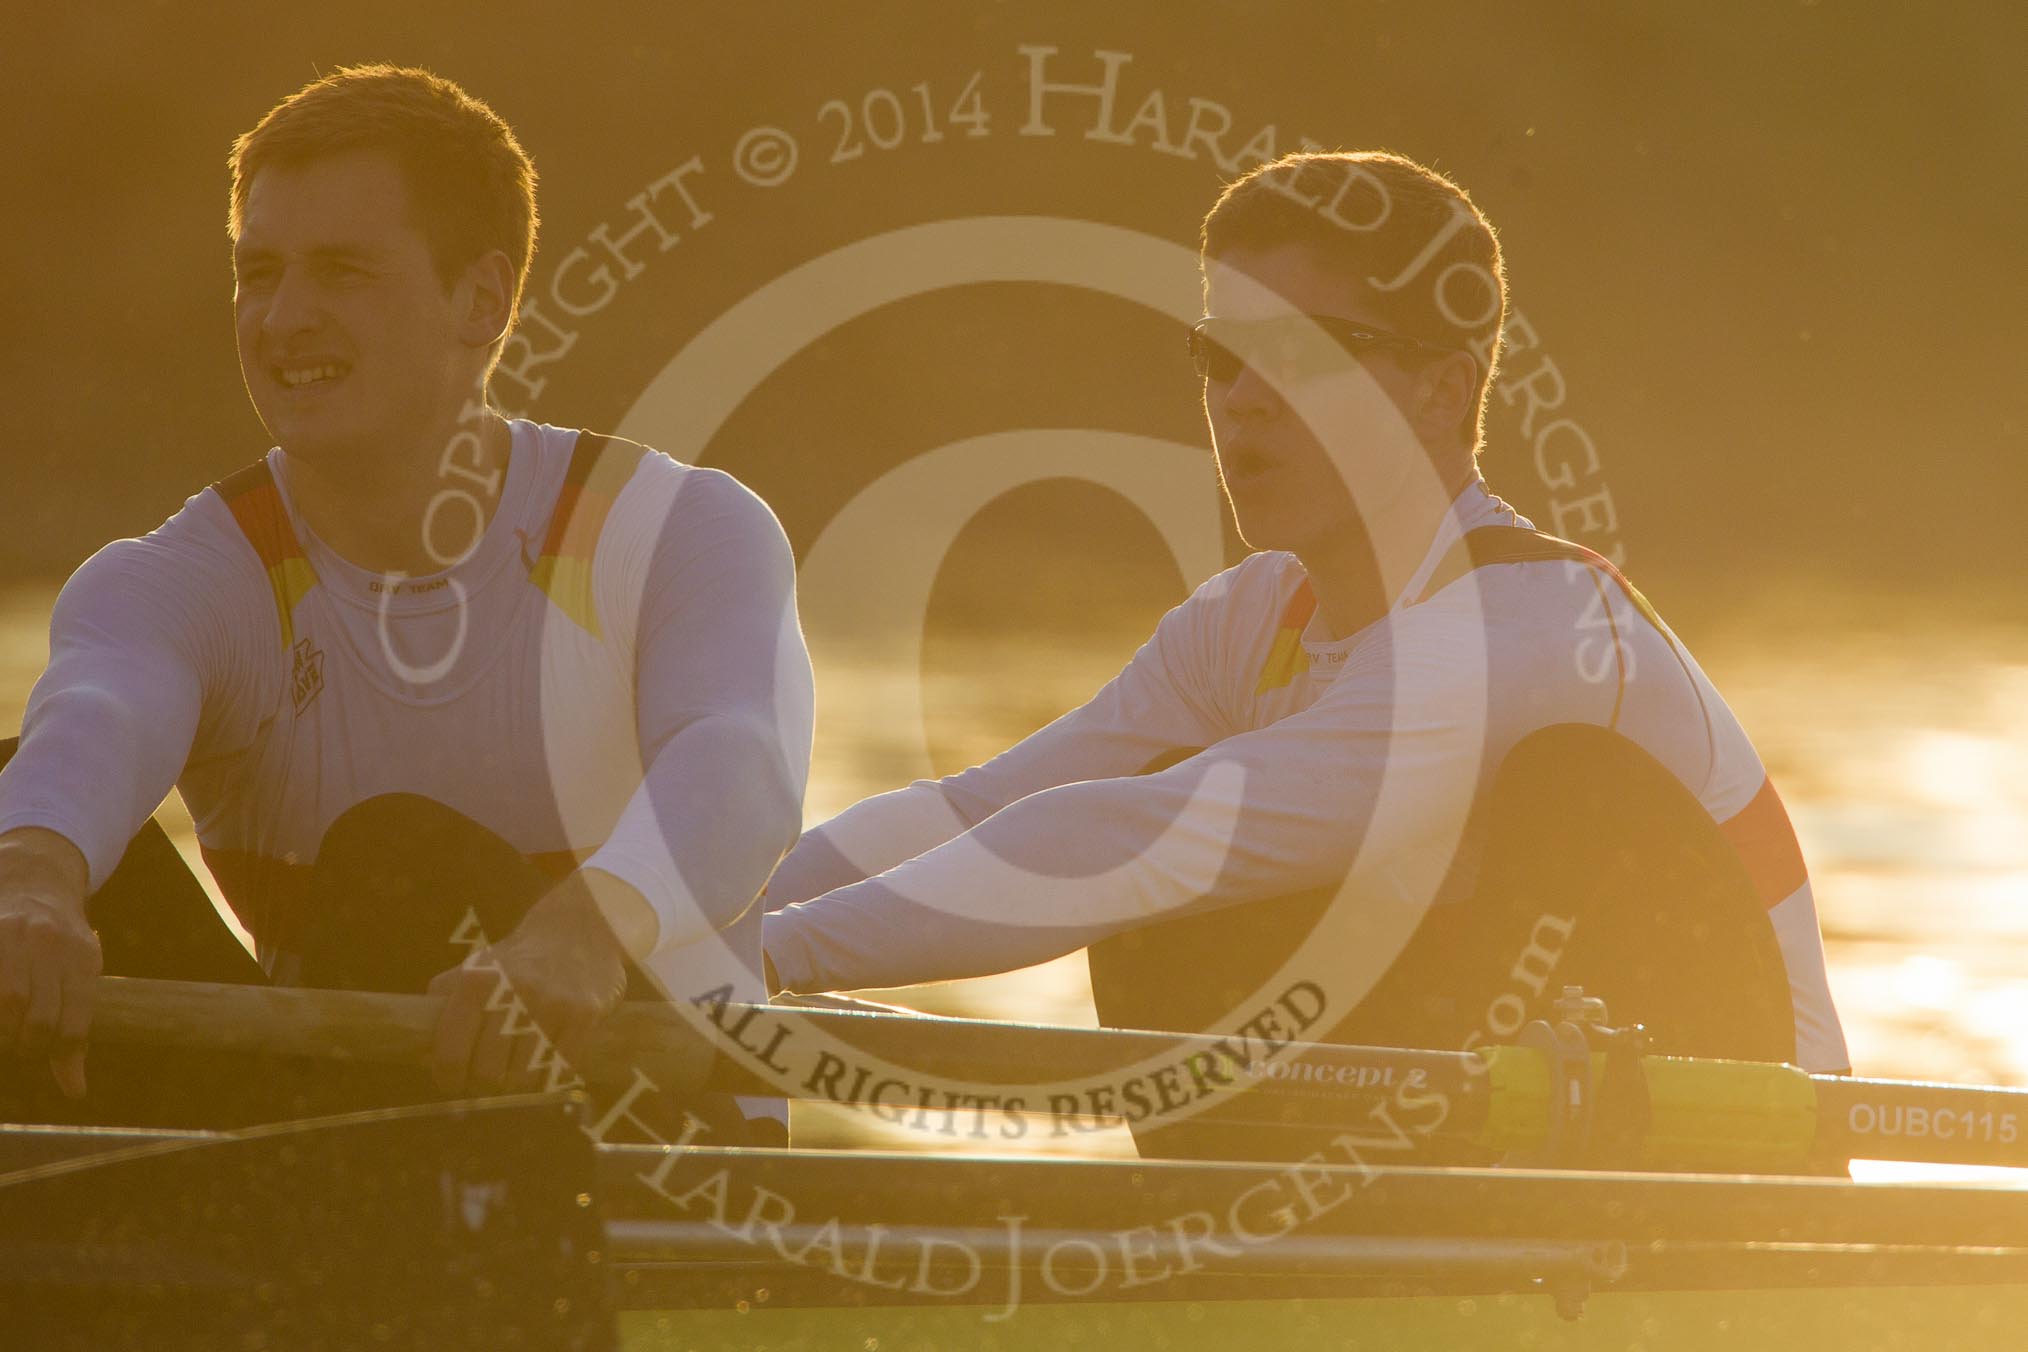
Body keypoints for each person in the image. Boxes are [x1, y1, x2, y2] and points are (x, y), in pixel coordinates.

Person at [762, 150, 1848, 1095]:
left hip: (1738, 1184)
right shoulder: (1239, 627)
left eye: (1301, 352)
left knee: (1185, 850)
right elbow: (980, 808)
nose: (1242, 397)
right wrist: (672, 917)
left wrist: (758, 960)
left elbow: (1128, 845)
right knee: (1182, 826)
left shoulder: (1525, 631)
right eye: (1222, 354)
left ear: (1440, 391)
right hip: (1488, 1169)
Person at [0, 66, 812, 1143]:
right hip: (323, 1134)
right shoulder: (178, 576)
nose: (286, 318)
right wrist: (36, 881)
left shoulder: (680, 531)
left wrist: (579, 931)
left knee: (400, 861)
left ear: (483, 301)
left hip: (652, 1140)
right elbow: (97, 713)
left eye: (343, 271)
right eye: (260, 272)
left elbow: (742, 763)